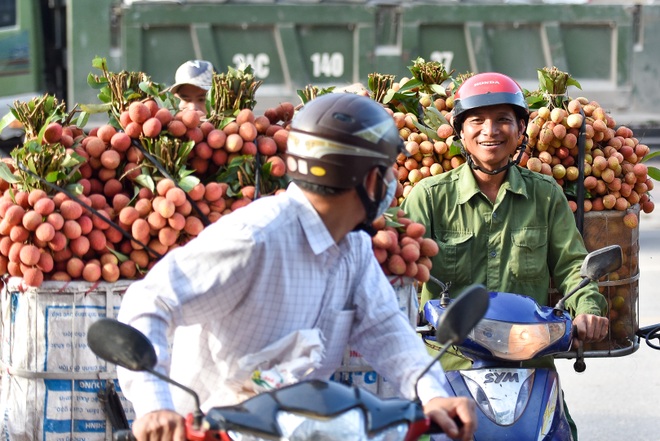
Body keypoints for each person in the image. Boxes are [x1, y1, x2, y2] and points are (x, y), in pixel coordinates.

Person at [116, 93, 477, 441]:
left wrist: (433, 395)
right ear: (369, 180)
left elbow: (385, 329)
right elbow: (152, 301)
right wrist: (154, 406)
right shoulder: (255, 239)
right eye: (386, 173)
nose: (391, 185)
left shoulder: (353, 248)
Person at [400, 72, 609, 439]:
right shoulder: (428, 197)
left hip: (529, 359)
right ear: (461, 132)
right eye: (477, 121)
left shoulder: (545, 195)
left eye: (502, 120)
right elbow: (401, 270)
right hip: (447, 361)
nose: (489, 131)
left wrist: (588, 309)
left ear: (520, 129)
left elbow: (574, 266)